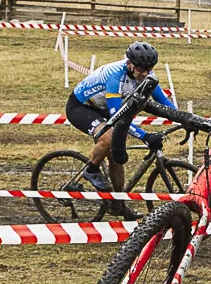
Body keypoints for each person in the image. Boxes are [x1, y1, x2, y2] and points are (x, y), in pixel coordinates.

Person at [66, 41, 173, 191]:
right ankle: (91, 170)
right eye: (141, 69)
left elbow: (163, 101)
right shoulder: (115, 76)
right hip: (81, 107)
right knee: (108, 138)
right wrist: (145, 136)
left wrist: (185, 119)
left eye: (149, 69)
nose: (144, 73)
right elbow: (117, 117)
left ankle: (118, 203)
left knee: (116, 158)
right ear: (130, 63)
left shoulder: (147, 75)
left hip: (102, 107)